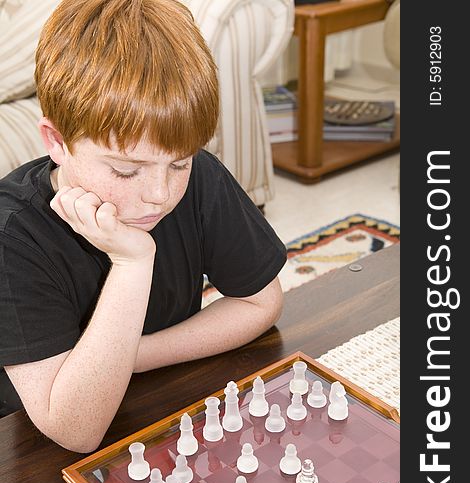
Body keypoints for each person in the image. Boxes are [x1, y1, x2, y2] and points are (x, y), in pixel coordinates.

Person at [0, 0, 286, 450]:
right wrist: (132, 262)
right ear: (57, 141)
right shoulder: (13, 237)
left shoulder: (199, 178)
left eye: (180, 163)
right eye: (126, 171)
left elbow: (259, 302)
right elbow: (75, 431)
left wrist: (131, 357)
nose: (159, 193)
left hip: (162, 412)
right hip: (31, 452)